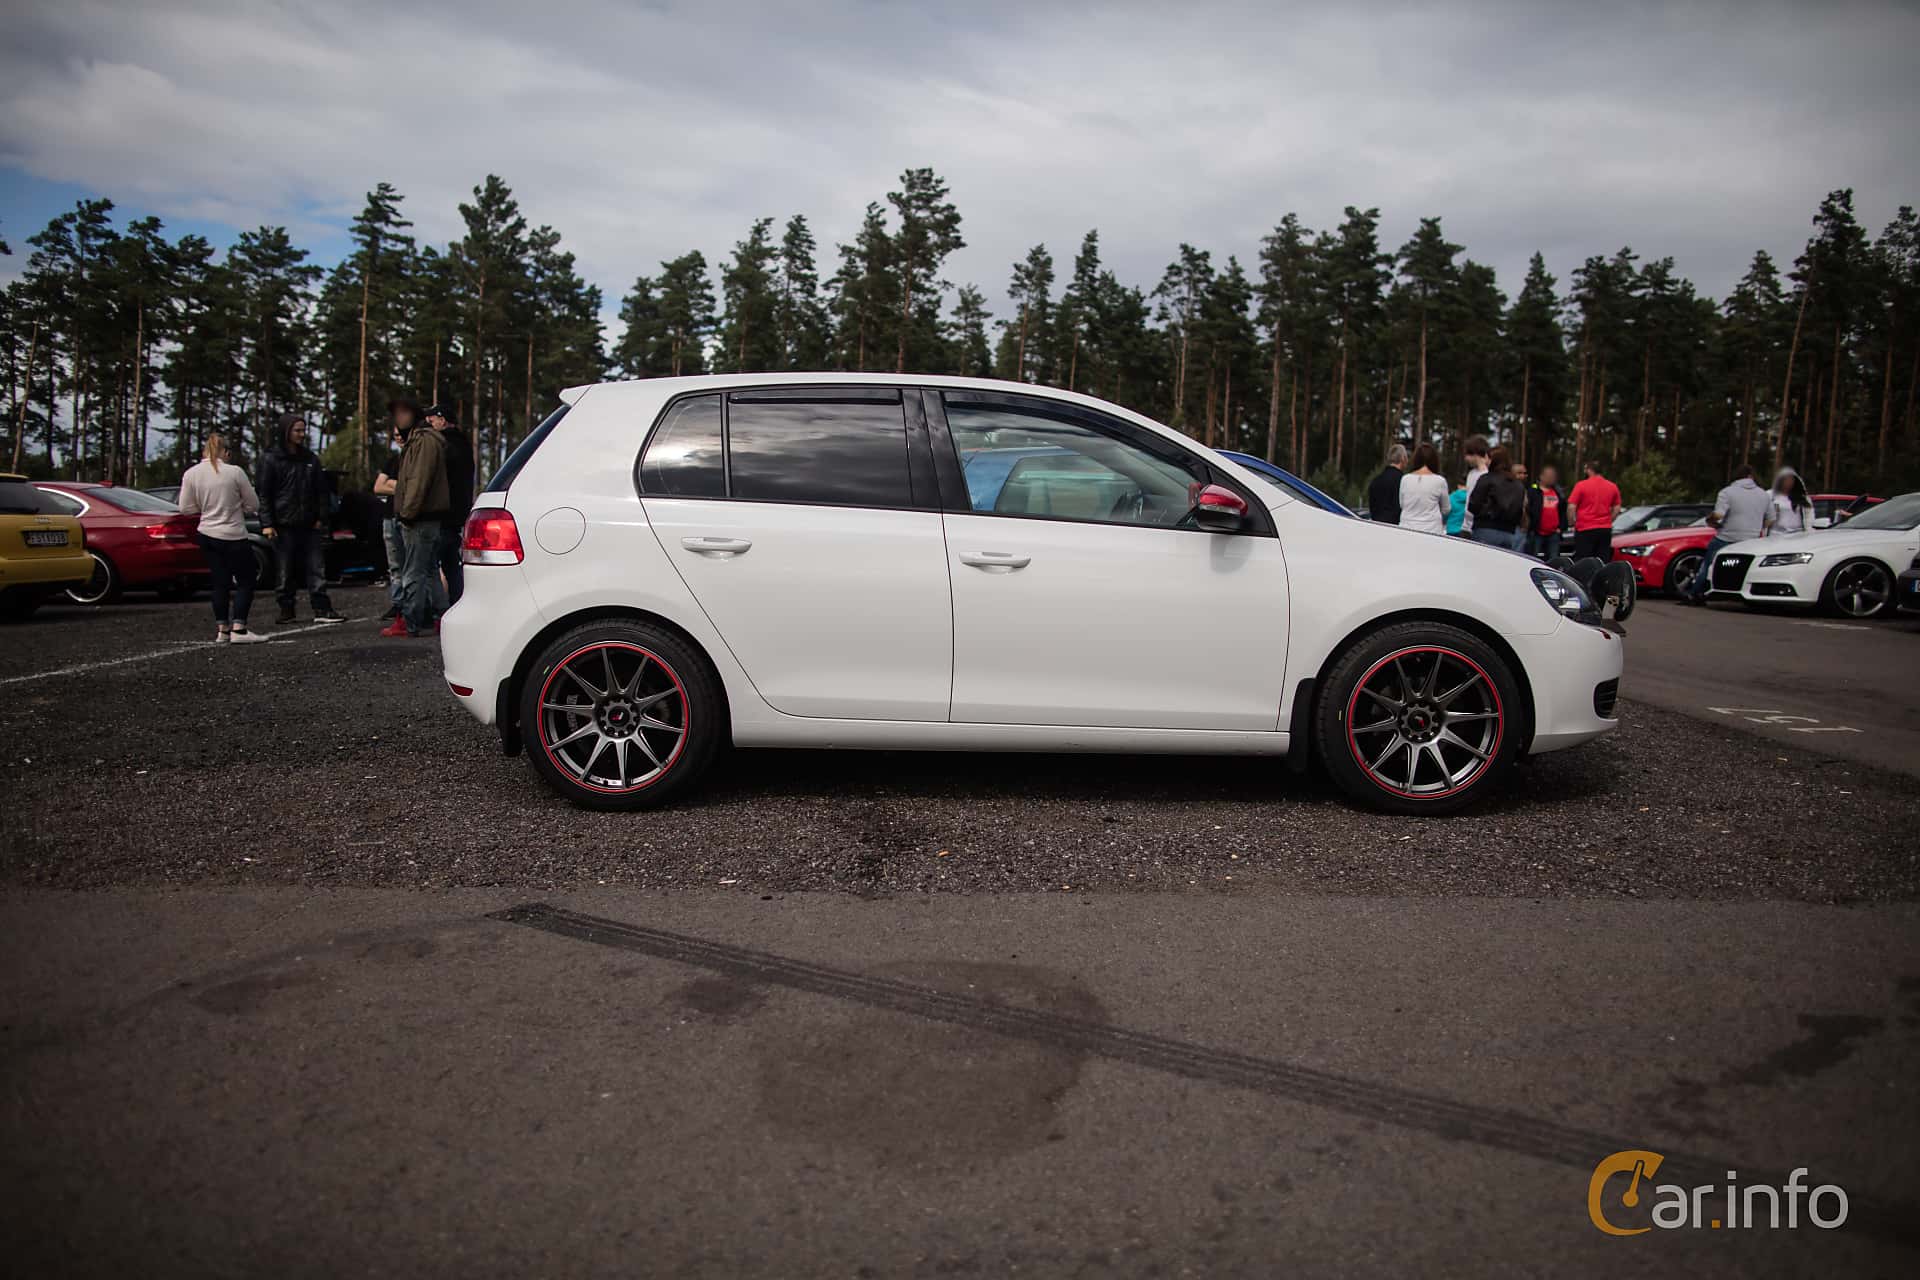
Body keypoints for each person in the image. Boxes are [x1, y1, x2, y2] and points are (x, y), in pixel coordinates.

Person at [176, 432, 268, 645]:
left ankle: (222, 629)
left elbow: (185, 508)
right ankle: (239, 627)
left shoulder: (191, 474)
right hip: (233, 534)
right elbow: (253, 504)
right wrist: (238, 506)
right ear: (225, 452)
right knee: (245, 580)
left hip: (207, 533)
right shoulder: (234, 472)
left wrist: (205, 508)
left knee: (220, 582)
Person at [257, 412, 345, 624]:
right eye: (297, 430)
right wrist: (267, 523)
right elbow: (264, 493)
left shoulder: (310, 459)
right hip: (283, 523)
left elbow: (321, 491)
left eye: (303, 430)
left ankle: (322, 608)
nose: (302, 434)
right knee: (284, 569)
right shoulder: (270, 459)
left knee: (316, 568)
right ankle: (286, 609)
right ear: (286, 431)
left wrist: (321, 517)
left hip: (309, 523)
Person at [382, 404, 450, 638]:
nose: (398, 418)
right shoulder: (421, 440)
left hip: (420, 518)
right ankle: (440, 616)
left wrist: (407, 513)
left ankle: (412, 622)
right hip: (424, 517)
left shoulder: (423, 442)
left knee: (413, 572)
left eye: (403, 413)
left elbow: (418, 481)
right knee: (428, 570)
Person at [1680, 463, 1771, 605]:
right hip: (1750, 540)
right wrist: (1758, 529)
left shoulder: (1727, 492)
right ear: (1751, 476)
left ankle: (1695, 594)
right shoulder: (1764, 495)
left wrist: (1710, 521)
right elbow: (1770, 519)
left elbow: (1718, 515)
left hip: (1726, 537)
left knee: (1708, 565)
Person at [373, 398, 419, 621]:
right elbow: (378, 487)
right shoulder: (392, 460)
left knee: (410, 565)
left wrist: (393, 484)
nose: (399, 438)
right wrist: (401, 486)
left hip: (407, 516)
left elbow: (414, 486)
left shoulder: (415, 457)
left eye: (401, 434)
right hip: (389, 516)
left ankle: (411, 606)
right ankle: (398, 603)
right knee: (395, 566)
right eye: (395, 435)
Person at [432, 405, 476, 609]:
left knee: (429, 566)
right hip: (458, 514)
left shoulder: (443, 445)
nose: (430, 425)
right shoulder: (464, 444)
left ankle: (437, 610)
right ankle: (457, 605)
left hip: (441, 514)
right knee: (452, 565)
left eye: (432, 421)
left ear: (443, 420)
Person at [1467, 446, 1527, 549]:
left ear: (1492, 460)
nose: (1485, 462)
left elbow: (1473, 505)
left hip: (1485, 528)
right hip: (1509, 533)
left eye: (1487, 458)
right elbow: (1519, 510)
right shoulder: (1518, 485)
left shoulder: (1486, 479)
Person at [1566, 460, 1622, 561]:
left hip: (1585, 528)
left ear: (1589, 470)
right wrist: (1610, 519)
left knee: (1583, 560)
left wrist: (1571, 522)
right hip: (1604, 529)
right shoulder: (1612, 486)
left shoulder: (1581, 485)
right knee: (1602, 559)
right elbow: (1617, 507)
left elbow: (1571, 507)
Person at [1397, 442, 1449, 535]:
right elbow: (1446, 509)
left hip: (1407, 528)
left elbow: (1402, 504)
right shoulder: (1440, 481)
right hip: (1432, 530)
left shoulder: (1405, 479)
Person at [1526, 464, 1570, 560]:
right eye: (1549, 476)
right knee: (1533, 558)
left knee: (1553, 559)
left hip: (1554, 533)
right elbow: (1529, 509)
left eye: (1553, 476)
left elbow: (1563, 511)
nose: (1551, 478)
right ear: (1541, 476)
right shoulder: (1534, 491)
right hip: (1537, 532)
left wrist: (1561, 527)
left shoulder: (1558, 493)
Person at [1766, 466, 1814, 535]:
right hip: (1776, 534)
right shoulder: (1770, 495)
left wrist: (1808, 531)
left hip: (1798, 534)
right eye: (1786, 479)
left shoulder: (1803, 498)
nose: (1788, 482)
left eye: (1791, 479)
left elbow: (1809, 517)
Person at [1366, 444, 1407, 525]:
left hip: (1376, 526)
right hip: (1396, 527)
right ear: (1403, 458)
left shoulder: (1375, 481)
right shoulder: (1403, 481)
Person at [1458, 436, 1490, 536]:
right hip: (1465, 526)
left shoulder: (1486, 475)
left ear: (1475, 454)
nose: (1465, 458)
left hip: (1478, 526)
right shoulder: (1471, 473)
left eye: (1468, 454)